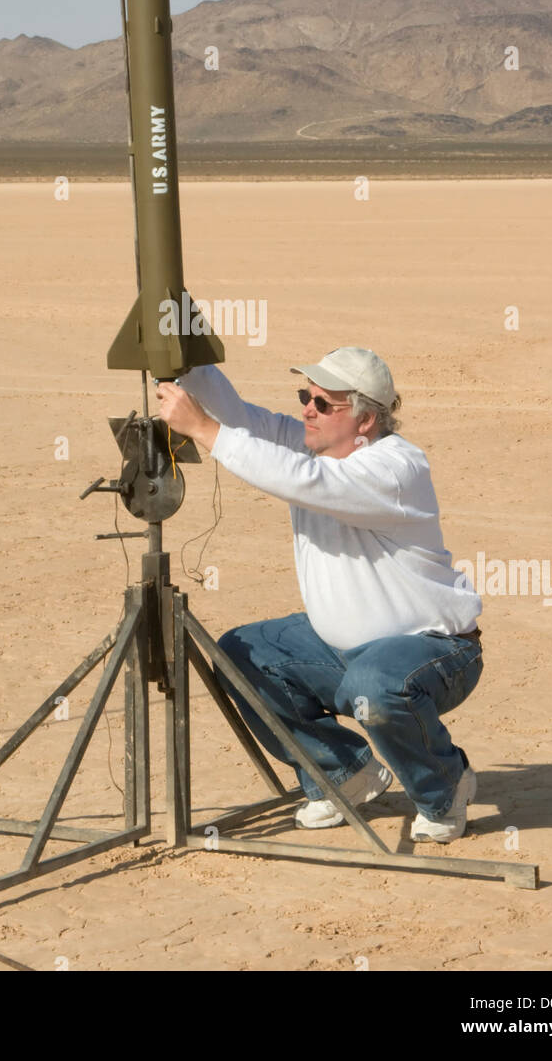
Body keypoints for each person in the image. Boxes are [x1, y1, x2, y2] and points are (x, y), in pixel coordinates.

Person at [155, 347, 483, 843]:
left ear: (366, 418)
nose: (308, 409)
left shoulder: (395, 468)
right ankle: (342, 774)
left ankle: (445, 787)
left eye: (323, 404)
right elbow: (241, 420)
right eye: (306, 397)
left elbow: (304, 480)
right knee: (244, 654)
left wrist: (201, 429)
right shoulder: (317, 448)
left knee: (375, 686)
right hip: (344, 650)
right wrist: (187, 351)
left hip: (433, 651)